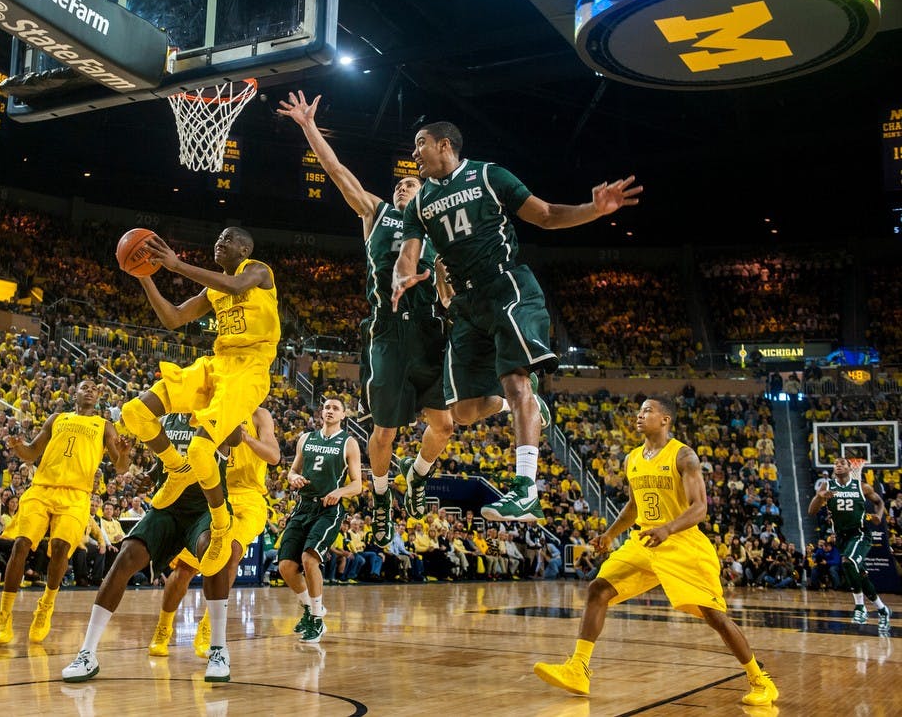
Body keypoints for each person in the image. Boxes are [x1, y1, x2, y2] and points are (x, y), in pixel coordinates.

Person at [392, 121, 640, 522]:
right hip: (465, 303)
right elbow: (408, 253)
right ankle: (517, 403)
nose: (415, 153)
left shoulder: (490, 175)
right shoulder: (420, 204)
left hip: (506, 284)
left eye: (420, 144)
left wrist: (595, 209)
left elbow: (545, 215)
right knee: (465, 412)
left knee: (515, 377)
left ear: (444, 145)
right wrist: (402, 274)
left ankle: (526, 490)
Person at [277, 91, 453, 546]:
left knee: (445, 425)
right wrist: (309, 127)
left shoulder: (441, 233)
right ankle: (379, 497)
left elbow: (452, 295)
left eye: (411, 185)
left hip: (430, 331)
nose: (403, 186)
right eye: (400, 185)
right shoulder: (378, 214)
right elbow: (337, 172)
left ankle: (416, 476)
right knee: (385, 431)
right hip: (388, 332)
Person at [533, 398, 778, 707]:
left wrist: (667, 529)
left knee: (714, 616)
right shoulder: (632, 458)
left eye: (648, 410)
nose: (640, 415)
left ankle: (760, 680)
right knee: (598, 589)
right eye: (639, 411)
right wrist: (610, 535)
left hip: (681, 543)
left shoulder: (683, 456)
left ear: (665, 420)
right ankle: (578, 668)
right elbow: (634, 506)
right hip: (644, 541)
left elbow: (700, 508)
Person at [62, 408, 278, 684]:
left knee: (217, 554)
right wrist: (149, 477)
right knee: (126, 558)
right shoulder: (169, 419)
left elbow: (241, 441)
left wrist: (235, 417)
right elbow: (161, 463)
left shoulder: (222, 415)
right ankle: (87, 652)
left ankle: (218, 648)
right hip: (169, 505)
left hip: (205, 507)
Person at [118, 227, 279, 578]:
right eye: (217, 237)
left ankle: (220, 524)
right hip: (216, 364)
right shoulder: (213, 290)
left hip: (249, 369)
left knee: (200, 450)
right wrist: (144, 276)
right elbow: (174, 318)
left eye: (228, 238)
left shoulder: (258, 271)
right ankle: (176, 470)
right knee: (136, 412)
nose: (219, 241)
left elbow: (236, 287)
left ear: (245, 247)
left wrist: (176, 266)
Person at [0, 380, 129, 646]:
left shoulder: (104, 425)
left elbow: (121, 468)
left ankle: (46, 606)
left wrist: (123, 455)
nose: (89, 390)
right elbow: (31, 452)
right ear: (74, 394)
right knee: (21, 545)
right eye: (84, 386)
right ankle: (4, 616)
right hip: (42, 488)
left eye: (94, 388)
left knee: (61, 547)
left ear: (99, 397)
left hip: (76, 494)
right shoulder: (57, 418)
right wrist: (19, 447)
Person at [146, 407, 279, 662]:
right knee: (184, 569)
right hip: (213, 492)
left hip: (249, 498)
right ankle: (163, 627)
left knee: (230, 552)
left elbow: (273, 456)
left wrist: (246, 438)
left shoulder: (259, 415)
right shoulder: (211, 408)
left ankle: (208, 629)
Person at [279, 398, 362, 644]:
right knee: (285, 566)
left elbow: (357, 484)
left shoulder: (349, 442)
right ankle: (309, 608)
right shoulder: (306, 438)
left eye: (335, 408)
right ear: (321, 412)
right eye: (327, 407)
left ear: (343, 415)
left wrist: (340, 492)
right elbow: (292, 471)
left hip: (328, 509)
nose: (329, 411)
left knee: (308, 559)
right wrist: (293, 478)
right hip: (303, 506)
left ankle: (317, 618)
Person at [807, 457, 891, 631]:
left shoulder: (862, 486)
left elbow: (879, 502)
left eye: (842, 463)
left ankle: (860, 607)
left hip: (860, 534)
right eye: (835, 464)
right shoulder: (827, 486)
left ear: (849, 468)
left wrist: (879, 516)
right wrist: (818, 496)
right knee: (859, 575)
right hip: (842, 537)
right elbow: (811, 512)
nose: (838, 465)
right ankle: (883, 609)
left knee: (848, 561)